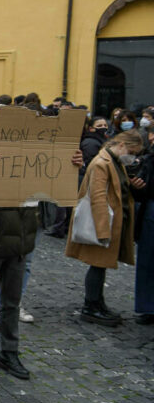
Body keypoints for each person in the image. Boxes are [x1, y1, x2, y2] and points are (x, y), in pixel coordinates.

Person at [0, 119, 84, 379]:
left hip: (20, 240)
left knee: (12, 303)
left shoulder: (38, 150)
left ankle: (9, 353)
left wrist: (72, 166)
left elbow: (56, 185)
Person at [66, 130, 146, 327]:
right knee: (97, 264)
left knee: (100, 265)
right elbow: (98, 196)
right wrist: (103, 230)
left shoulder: (114, 161)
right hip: (102, 223)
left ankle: (97, 303)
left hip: (110, 222)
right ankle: (91, 306)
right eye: (132, 151)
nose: (133, 156)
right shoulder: (103, 163)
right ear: (121, 145)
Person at [134, 125, 154, 325]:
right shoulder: (148, 159)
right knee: (147, 259)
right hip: (151, 211)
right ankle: (148, 306)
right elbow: (141, 191)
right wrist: (138, 187)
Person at [80, 116, 109, 182]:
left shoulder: (102, 139)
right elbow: (90, 163)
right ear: (91, 129)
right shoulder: (90, 143)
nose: (103, 127)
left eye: (105, 125)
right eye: (99, 126)